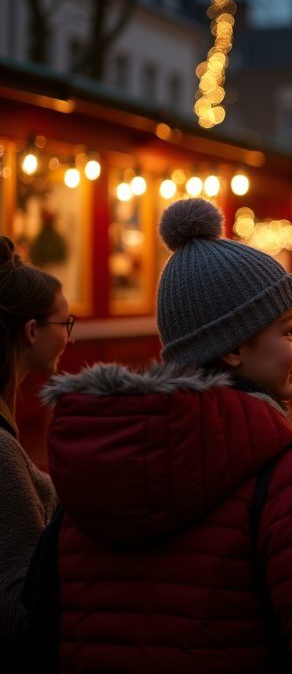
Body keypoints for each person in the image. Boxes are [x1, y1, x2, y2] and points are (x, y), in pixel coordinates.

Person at [40, 199, 292, 673]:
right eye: (289, 332)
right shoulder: (287, 478)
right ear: (231, 349)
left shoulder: (87, 476)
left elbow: (41, 625)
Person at [0, 237, 67, 667]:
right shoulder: (4, 454)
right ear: (31, 331)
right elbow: (18, 612)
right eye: (66, 324)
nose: (69, 337)